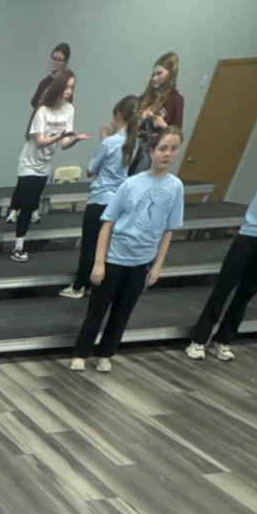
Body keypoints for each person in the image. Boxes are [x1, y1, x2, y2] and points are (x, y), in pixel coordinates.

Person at [69, 127, 184, 373]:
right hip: (114, 259)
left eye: (173, 149)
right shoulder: (130, 184)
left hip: (141, 262)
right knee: (97, 311)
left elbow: (169, 229)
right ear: (151, 151)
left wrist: (157, 266)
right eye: (162, 148)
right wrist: (99, 262)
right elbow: (107, 224)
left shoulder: (176, 187)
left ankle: (104, 353)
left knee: (122, 313)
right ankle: (81, 352)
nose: (167, 154)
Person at [60, 95, 142, 299]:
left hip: (100, 199)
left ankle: (78, 286)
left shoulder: (110, 142)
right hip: (117, 201)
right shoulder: (134, 143)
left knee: (89, 245)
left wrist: (103, 139)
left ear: (118, 115)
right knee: (103, 246)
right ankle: (92, 285)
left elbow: (91, 170)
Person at [7, 70, 91, 262]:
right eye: (66, 86)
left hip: (44, 165)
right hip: (28, 163)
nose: (69, 91)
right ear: (58, 87)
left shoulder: (69, 110)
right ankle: (18, 247)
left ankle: (14, 207)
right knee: (28, 205)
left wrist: (75, 139)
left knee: (31, 200)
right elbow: (39, 142)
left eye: (72, 87)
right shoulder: (42, 111)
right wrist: (60, 135)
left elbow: (64, 144)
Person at [185, 182, 257, 361]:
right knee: (223, 288)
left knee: (246, 294)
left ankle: (223, 340)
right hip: (249, 236)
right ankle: (199, 339)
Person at [137, 52, 184, 167]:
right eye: (153, 74)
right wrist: (140, 117)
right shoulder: (146, 96)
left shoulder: (176, 100)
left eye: (159, 74)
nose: (154, 78)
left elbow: (178, 135)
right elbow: (127, 121)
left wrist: (164, 126)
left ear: (170, 75)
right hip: (134, 146)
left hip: (151, 153)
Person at [29, 41, 71, 111]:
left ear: (65, 63)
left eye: (59, 60)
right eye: (53, 58)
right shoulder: (43, 83)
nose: (55, 62)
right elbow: (33, 106)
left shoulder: (65, 85)